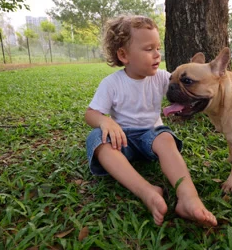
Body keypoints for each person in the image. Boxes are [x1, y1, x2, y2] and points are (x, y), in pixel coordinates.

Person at [85, 15, 217, 226]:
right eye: (149, 49)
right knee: (97, 141)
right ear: (124, 55)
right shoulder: (111, 83)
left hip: (151, 137)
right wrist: (105, 122)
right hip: (122, 139)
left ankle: (188, 198)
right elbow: (90, 113)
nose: (157, 55)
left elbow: (187, 83)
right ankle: (147, 192)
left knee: (165, 138)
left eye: (158, 48)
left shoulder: (164, 78)